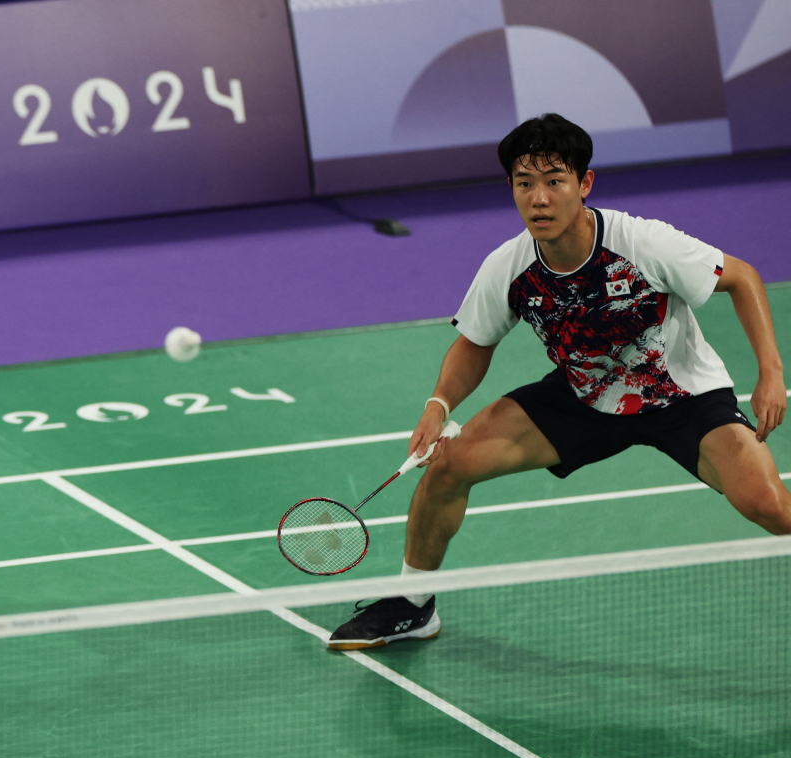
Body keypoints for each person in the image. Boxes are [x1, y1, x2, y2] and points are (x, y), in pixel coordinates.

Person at [329, 114, 790, 650]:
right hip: (583, 396)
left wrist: (771, 374)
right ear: (511, 189)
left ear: (584, 184)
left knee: (771, 508)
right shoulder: (510, 265)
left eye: (554, 181)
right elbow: (475, 343)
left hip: (681, 398)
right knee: (450, 464)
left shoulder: (641, 242)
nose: (540, 199)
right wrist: (438, 403)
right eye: (525, 183)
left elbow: (741, 277)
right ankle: (411, 605)